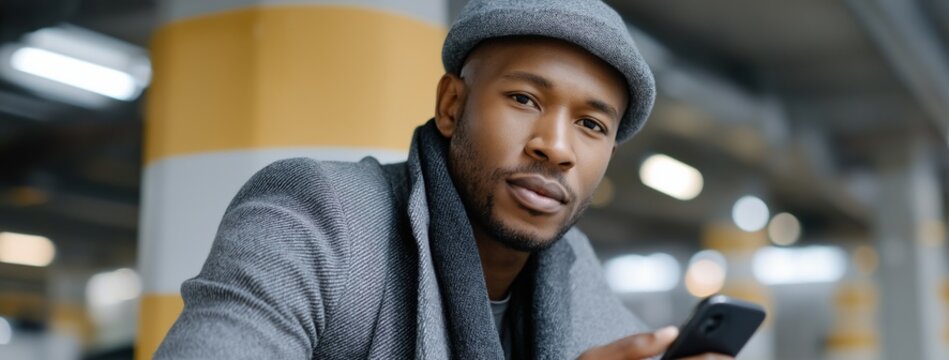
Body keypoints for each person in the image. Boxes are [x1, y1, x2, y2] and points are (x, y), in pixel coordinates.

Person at [156, 0, 732, 359]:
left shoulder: (576, 276)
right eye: (524, 98)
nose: (556, 147)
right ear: (451, 104)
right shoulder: (318, 218)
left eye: (589, 124)